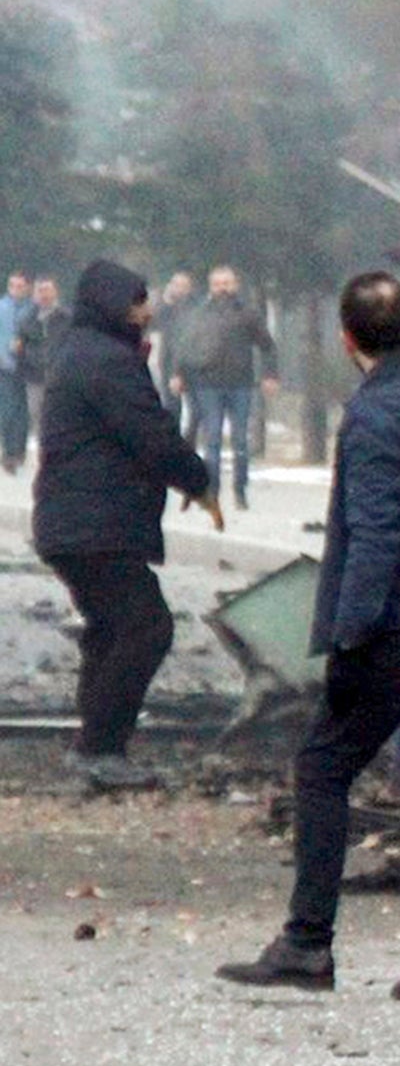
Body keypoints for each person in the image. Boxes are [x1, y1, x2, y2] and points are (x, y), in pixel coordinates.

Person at [217, 272, 400, 1001]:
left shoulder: (376, 417)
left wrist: (348, 642)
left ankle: (306, 945)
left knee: (322, 767)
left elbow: (376, 536)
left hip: (399, 629)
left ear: (348, 341)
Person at [31, 261, 221, 790]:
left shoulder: (80, 349)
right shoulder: (108, 361)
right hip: (95, 523)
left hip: (75, 521)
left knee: (110, 630)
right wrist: (199, 480)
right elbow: (151, 434)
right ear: (114, 306)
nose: (147, 310)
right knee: (146, 627)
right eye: (138, 301)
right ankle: (100, 749)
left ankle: (94, 747)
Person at [172, 265, 279, 510]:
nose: (223, 288)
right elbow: (184, 345)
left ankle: (240, 491)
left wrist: (270, 375)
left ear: (236, 285)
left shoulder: (248, 314)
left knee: (240, 440)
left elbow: (268, 346)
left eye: (227, 283)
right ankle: (213, 490)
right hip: (207, 385)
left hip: (241, 385)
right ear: (211, 287)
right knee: (213, 440)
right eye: (218, 284)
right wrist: (178, 374)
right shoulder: (200, 313)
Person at [17, 275, 72, 433]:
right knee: (37, 417)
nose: (44, 295)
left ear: (56, 292)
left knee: (62, 417)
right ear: (34, 294)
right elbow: (20, 349)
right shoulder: (26, 320)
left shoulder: (68, 318)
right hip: (35, 379)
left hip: (61, 378)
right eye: (40, 291)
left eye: (47, 290)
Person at [152, 270, 196, 416]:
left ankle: (191, 437)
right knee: (172, 406)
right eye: (175, 285)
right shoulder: (164, 307)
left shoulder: (196, 307)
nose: (179, 289)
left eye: (183, 285)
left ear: (190, 288)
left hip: (193, 362)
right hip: (168, 361)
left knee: (196, 407)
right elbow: (153, 323)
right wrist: (165, 302)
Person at [0, 270, 30, 472]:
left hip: (28, 368)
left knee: (24, 412)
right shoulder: (1, 307)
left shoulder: (32, 309)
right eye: (13, 285)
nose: (16, 290)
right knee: (8, 409)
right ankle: (9, 451)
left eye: (20, 286)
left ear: (26, 288)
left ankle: (19, 450)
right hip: (4, 366)